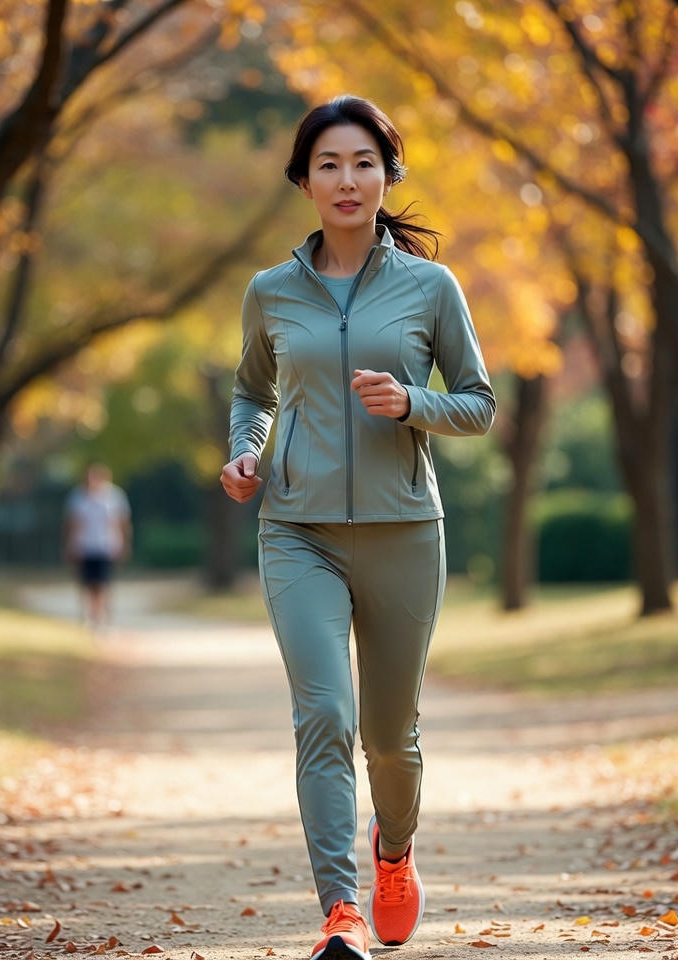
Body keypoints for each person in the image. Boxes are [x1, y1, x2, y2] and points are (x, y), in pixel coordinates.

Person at [220, 95, 495, 960]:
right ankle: (340, 911)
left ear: (387, 176)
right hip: (295, 529)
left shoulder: (430, 287)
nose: (347, 179)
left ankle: (395, 851)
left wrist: (413, 402)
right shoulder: (270, 292)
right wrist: (245, 452)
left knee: (389, 737)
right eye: (329, 164)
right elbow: (252, 393)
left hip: (404, 530)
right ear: (304, 180)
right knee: (325, 716)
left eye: (364, 163)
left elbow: (480, 404)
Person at [63, 463, 132, 630]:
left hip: (106, 546)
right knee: (87, 584)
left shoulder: (114, 496)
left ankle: (102, 617)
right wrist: (70, 545)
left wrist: (125, 544)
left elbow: (123, 522)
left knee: (102, 583)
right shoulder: (78, 497)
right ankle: (89, 616)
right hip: (84, 546)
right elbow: (72, 523)